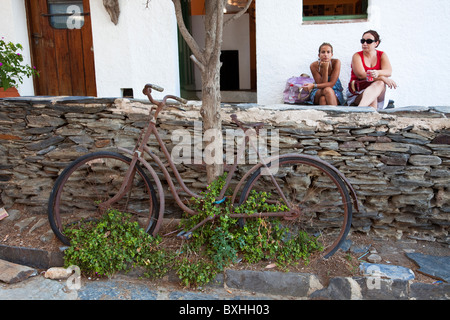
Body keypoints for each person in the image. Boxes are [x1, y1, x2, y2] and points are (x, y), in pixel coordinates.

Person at [347, 30, 397, 110]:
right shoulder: (357, 56)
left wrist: (377, 72)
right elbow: (361, 75)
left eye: (369, 41)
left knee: (378, 85)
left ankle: (359, 110)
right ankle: (363, 111)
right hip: (358, 91)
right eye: (362, 41)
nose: (364, 44)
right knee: (373, 95)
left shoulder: (382, 55)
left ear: (376, 43)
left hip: (375, 89)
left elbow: (388, 71)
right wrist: (381, 77)